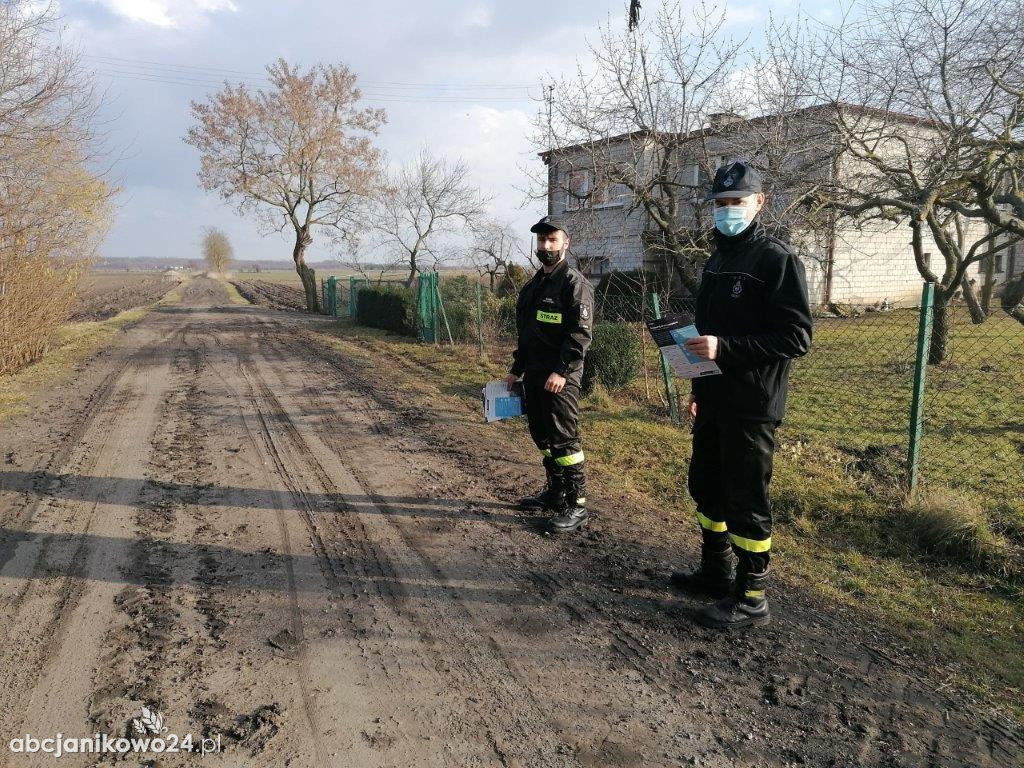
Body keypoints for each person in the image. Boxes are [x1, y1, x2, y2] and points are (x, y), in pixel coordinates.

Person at [671, 160, 813, 629]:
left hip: (752, 405)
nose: (728, 210)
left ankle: (751, 597)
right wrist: (699, 384)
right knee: (706, 486)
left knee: (745, 499)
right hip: (714, 398)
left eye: (737, 202)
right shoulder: (717, 259)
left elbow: (796, 338)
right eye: (720, 203)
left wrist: (725, 350)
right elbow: (706, 336)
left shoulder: (777, 259)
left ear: (759, 203)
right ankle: (715, 572)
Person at [506, 215, 595, 534]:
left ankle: (577, 505)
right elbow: (526, 333)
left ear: (565, 243)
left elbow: (579, 335)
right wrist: (517, 369)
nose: (545, 246)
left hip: (561, 377)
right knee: (541, 435)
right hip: (534, 375)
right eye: (541, 241)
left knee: (563, 438)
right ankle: (556, 492)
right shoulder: (533, 286)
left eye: (552, 240)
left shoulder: (574, 284)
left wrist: (562, 370)